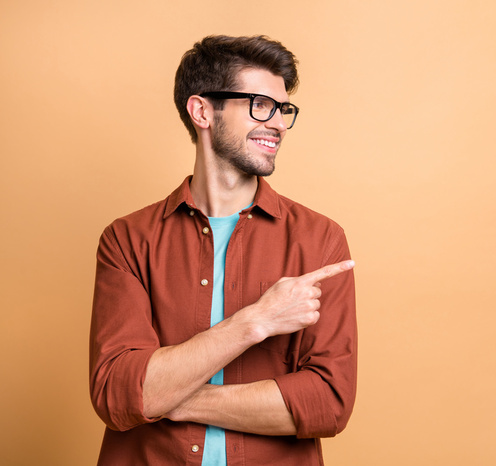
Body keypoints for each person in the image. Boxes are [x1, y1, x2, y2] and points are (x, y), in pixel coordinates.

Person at [89, 35, 357, 466]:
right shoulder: (127, 240)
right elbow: (118, 393)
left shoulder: (320, 240)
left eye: (283, 110)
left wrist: (168, 399)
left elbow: (328, 401)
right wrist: (256, 321)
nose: (278, 124)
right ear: (202, 111)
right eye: (260, 106)